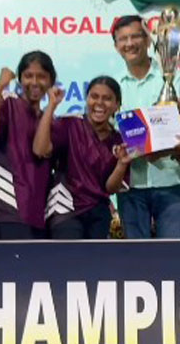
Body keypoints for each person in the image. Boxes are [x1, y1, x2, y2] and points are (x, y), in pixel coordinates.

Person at [112, 14, 180, 239]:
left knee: (171, 253)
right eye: (123, 39)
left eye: (136, 36)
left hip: (170, 179)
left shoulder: (174, 76)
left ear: (148, 40)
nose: (130, 43)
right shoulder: (114, 85)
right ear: (116, 46)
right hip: (132, 184)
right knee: (135, 254)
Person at [33, 76, 131, 239]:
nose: (99, 103)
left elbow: (110, 188)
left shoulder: (119, 140)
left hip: (99, 213)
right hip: (65, 208)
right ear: (87, 99)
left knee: (94, 256)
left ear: (117, 105)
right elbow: (40, 149)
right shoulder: (70, 124)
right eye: (94, 96)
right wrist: (51, 106)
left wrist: (121, 164)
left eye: (107, 99)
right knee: (71, 254)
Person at [0, 51, 57, 239]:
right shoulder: (8, 104)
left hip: (35, 209)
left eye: (41, 76)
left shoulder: (49, 120)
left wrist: (51, 107)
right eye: (28, 76)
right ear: (20, 79)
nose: (34, 82)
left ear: (51, 81)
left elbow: (41, 151)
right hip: (4, 205)